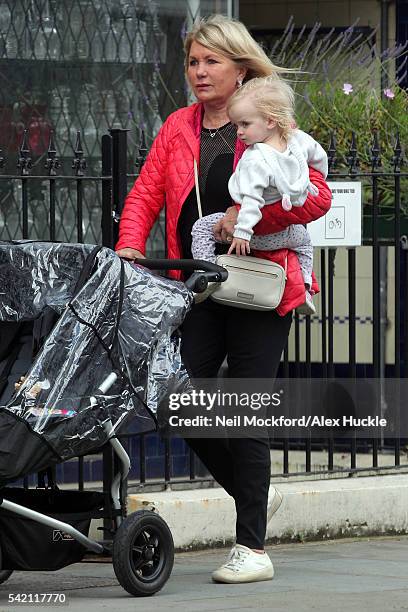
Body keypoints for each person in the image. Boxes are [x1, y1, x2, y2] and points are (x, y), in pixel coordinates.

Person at [116, 14, 331, 584]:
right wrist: (129, 245)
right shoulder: (177, 127)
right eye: (193, 61)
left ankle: (252, 548)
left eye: (212, 61)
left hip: (262, 284)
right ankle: (252, 492)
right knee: (178, 398)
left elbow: (316, 199)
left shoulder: (269, 124)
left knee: (245, 409)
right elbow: (144, 193)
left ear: (240, 68)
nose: (199, 72)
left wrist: (251, 216)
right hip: (201, 284)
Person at [191, 76, 328, 315]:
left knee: (202, 228)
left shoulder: (255, 157)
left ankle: (207, 273)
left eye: (245, 124)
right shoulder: (297, 141)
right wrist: (315, 180)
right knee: (305, 243)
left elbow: (251, 200)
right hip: (285, 235)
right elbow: (320, 157)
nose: (239, 132)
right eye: (236, 125)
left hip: (251, 233)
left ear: (270, 120)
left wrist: (243, 232)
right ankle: (306, 287)